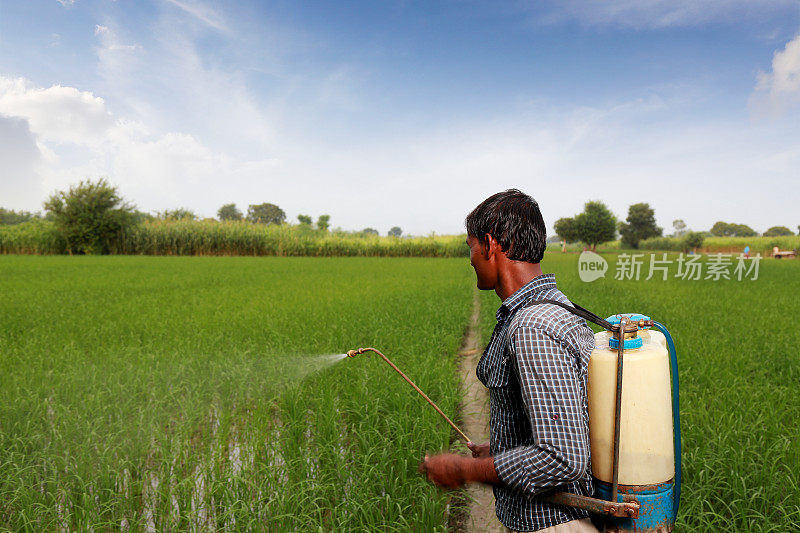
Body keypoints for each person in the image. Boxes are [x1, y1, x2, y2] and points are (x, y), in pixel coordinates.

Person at [419, 189, 598, 533]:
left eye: (470, 247)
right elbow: (572, 422)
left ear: (489, 244)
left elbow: (562, 458)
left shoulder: (532, 327)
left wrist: (462, 470)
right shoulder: (558, 308)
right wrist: (501, 449)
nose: (470, 258)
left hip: (553, 526)